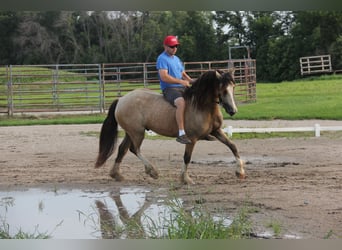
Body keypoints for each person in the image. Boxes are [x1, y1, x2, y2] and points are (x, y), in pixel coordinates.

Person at [156, 35, 193, 144]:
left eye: (176, 46)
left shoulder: (177, 59)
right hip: (169, 88)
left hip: (181, 87)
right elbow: (164, 77)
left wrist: (192, 81)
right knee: (181, 103)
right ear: (165, 46)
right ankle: (181, 133)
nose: (174, 48)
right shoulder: (162, 58)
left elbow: (182, 73)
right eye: (172, 46)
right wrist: (181, 82)